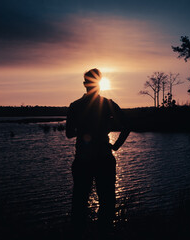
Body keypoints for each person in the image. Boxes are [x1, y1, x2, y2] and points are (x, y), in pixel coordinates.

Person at [66, 68, 130, 238]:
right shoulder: (108, 104)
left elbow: (68, 133)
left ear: (85, 84)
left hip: (83, 160)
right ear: (99, 84)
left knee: (79, 202)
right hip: (104, 159)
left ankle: (79, 233)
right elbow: (127, 126)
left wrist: (83, 129)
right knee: (107, 202)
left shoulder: (75, 106)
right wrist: (115, 146)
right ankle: (104, 233)